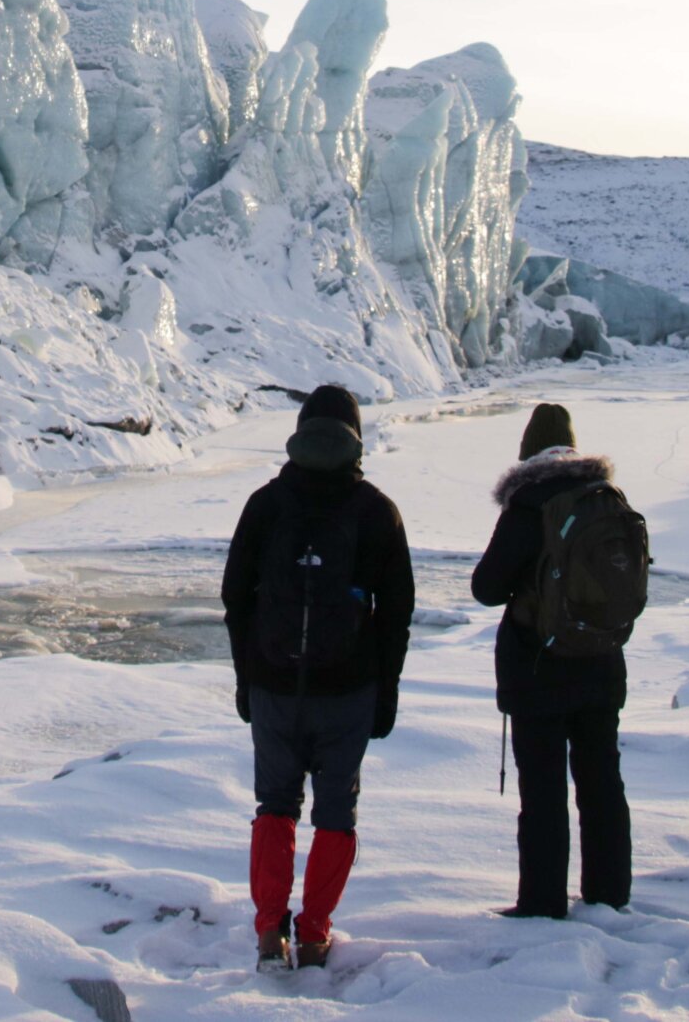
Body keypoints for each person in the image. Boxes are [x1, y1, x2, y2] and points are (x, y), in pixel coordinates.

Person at [222, 385, 415, 970]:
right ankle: (312, 933)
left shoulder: (266, 503)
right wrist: (386, 692)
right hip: (348, 690)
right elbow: (397, 613)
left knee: (274, 805)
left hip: (274, 685)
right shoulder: (375, 509)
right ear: (357, 438)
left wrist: (246, 677)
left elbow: (235, 596)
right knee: (336, 812)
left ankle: (266, 932)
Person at [469, 402, 634, 918]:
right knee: (602, 781)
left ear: (527, 453)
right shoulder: (607, 499)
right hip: (601, 664)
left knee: (542, 789)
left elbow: (486, 587)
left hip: (538, 670)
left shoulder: (528, 504)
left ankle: (542, 902)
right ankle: (609, 893)